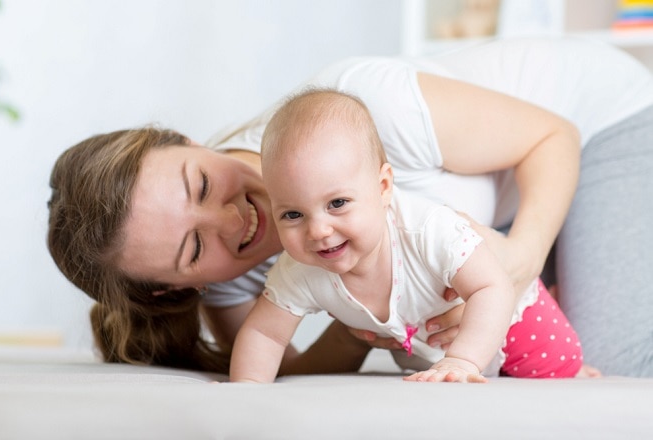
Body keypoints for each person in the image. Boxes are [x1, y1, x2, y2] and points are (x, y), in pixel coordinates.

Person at [47, 36, 653, 377]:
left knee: (612, 364)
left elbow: (555, 138)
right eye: (194, 248)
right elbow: (296, 368)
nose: (238, 221)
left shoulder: (365, 105)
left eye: (202, 185)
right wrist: (367, 327)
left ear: (187, 142)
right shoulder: (233, 293)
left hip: (595, 125)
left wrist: (519, 260)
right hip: (491, 213)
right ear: (174, 292)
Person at [230, 88, 590, 383]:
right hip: (429, 352)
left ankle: (576, 364)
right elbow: (266, 334)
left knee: (557, 364)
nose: (318, 231)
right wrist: (246, 388)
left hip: (506, 317)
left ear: (383, 187)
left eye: (338, 203)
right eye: (292, 214)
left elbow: (492, 287)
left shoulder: (426, 228)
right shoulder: (299, 270)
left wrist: (463, 361)